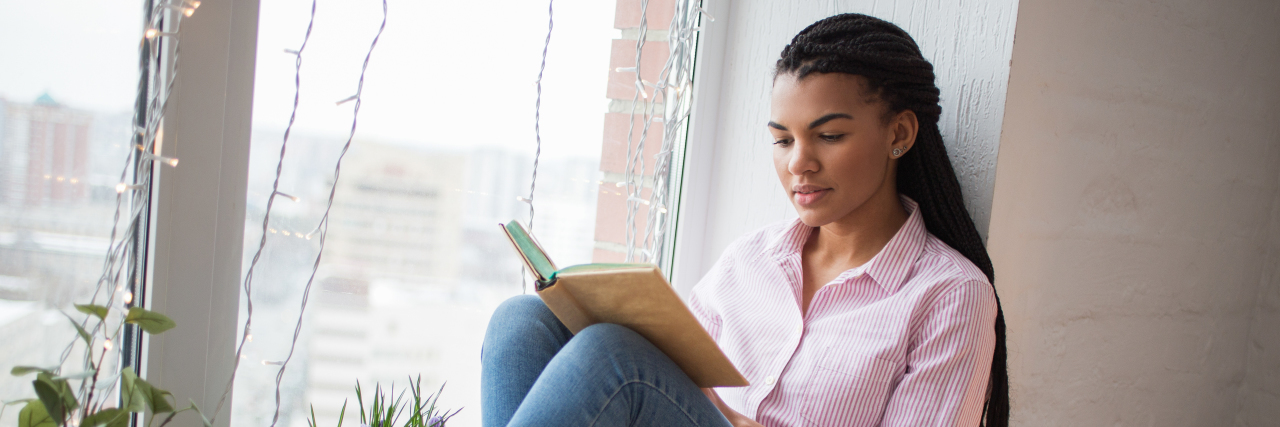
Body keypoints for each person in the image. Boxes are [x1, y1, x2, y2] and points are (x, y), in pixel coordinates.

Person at [480, 12, 1008, 427]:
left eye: (828, 136)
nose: (798, 162)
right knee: (520, 322)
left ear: (899, 134)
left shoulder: (949, 294)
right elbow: (680, 379)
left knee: (610, 356)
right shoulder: (751, 260)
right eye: (782, 140)